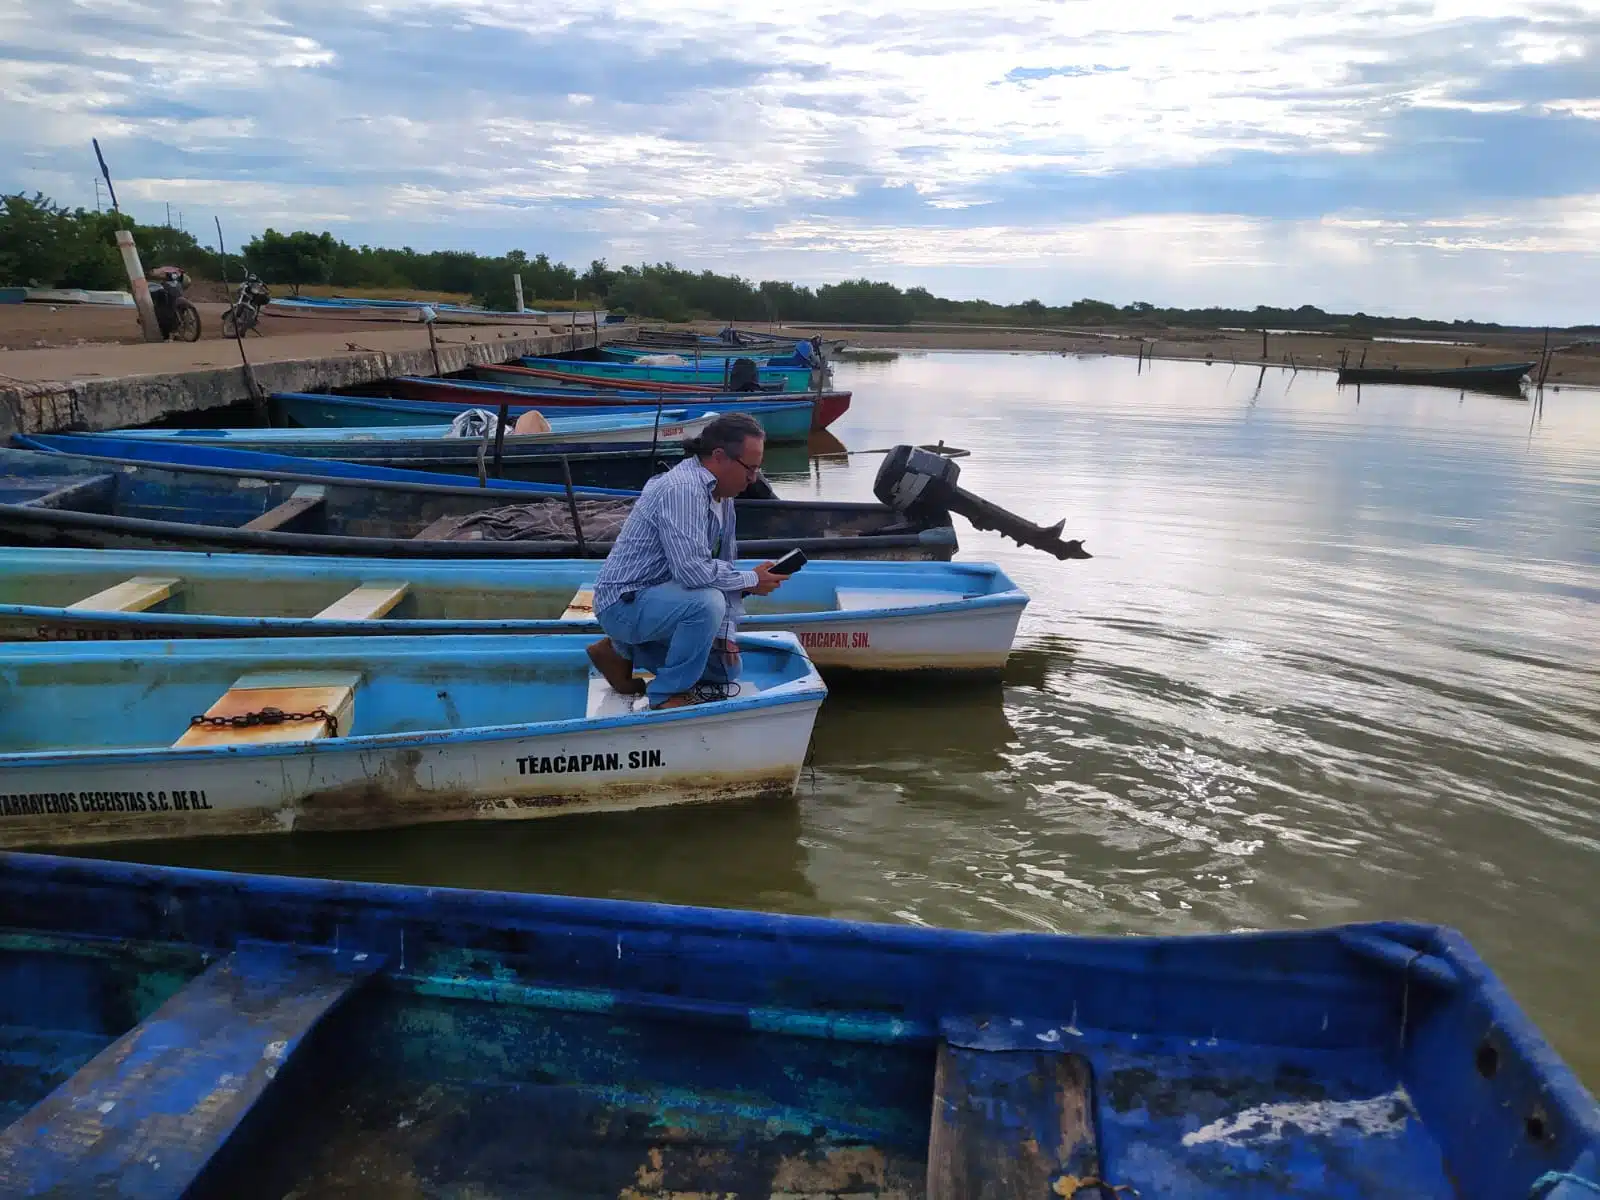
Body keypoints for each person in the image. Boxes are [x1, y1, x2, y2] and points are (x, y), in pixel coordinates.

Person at [587, 412, 786, 709]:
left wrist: (725, 634)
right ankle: (667, 694)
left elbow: (724, 562)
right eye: (750, 468)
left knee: (726, 670)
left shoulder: (723, 496)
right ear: (719, 457)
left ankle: (619, 652)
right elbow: (693, 572)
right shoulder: (683, 489)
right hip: (622, 604)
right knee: (707, 603)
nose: (753, 479)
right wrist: (753, 580)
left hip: (663, 600)